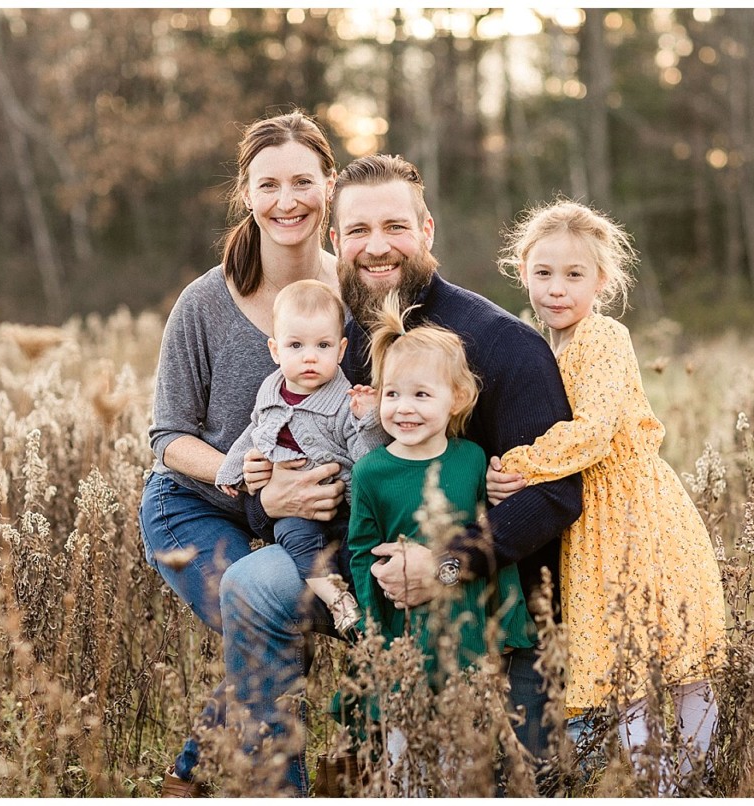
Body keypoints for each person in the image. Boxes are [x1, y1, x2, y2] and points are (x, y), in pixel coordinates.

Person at [222, 154, 582, 795]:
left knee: (510, 784)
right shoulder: (332, 349)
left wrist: (445, 565)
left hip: (497, 607)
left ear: (428, 232)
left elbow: (556, 498)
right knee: (252, 581)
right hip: (370, 587)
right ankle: (275, 782)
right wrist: (266, 497)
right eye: (358, 230)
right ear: (335, 241)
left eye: (396, 226)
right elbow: (294, 462)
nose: (376, 246)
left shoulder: (502, 346)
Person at [138, 110, 341, 797]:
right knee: (267, 631)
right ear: (247, 195)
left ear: (329, 186)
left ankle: (189, 776)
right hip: (194, 507)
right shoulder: (204, 303)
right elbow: (167, 438)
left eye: (303, 182)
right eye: (269, 185)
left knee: (276, 626)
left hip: (301, 522)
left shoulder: (357, 299)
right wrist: (253, 489)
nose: (288, 201)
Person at [490, 199, 728, 789]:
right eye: (543, 273)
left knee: (672, 659)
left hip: (634, 512)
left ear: (602, 281)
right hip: (593, 524)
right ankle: (658, 783)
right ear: (523, 273)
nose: (557, 289)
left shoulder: (602, 334)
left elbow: (594, 430)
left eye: (574, 275)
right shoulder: (547, 346)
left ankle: (685, 782)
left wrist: (523, 463)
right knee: (624, 661)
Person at [347, 296, 533, 769]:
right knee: (402, 751)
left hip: (465, 628)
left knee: (460, 753)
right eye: (392, 394)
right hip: (401, 630)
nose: (404, 409)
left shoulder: (471, 460)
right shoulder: (371, 471)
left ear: (459, 398)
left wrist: (508, 623)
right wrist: (371, 627)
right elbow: (361, 551)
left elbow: (491, 541)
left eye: (421, 395)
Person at [215, 279, 386, 635]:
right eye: (296, 345)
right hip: (294, 510)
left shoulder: (345, 401)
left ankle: (373, 622)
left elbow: (368, 459)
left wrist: (367, 420)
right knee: (293, 533)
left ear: (341, 351)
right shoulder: (271, 390)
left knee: (361, 551)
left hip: (345, 507)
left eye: (322, 345)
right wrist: (231, 469)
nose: (310, 356)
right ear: (276, 351)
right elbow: (254, 431)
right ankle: (336, 599)